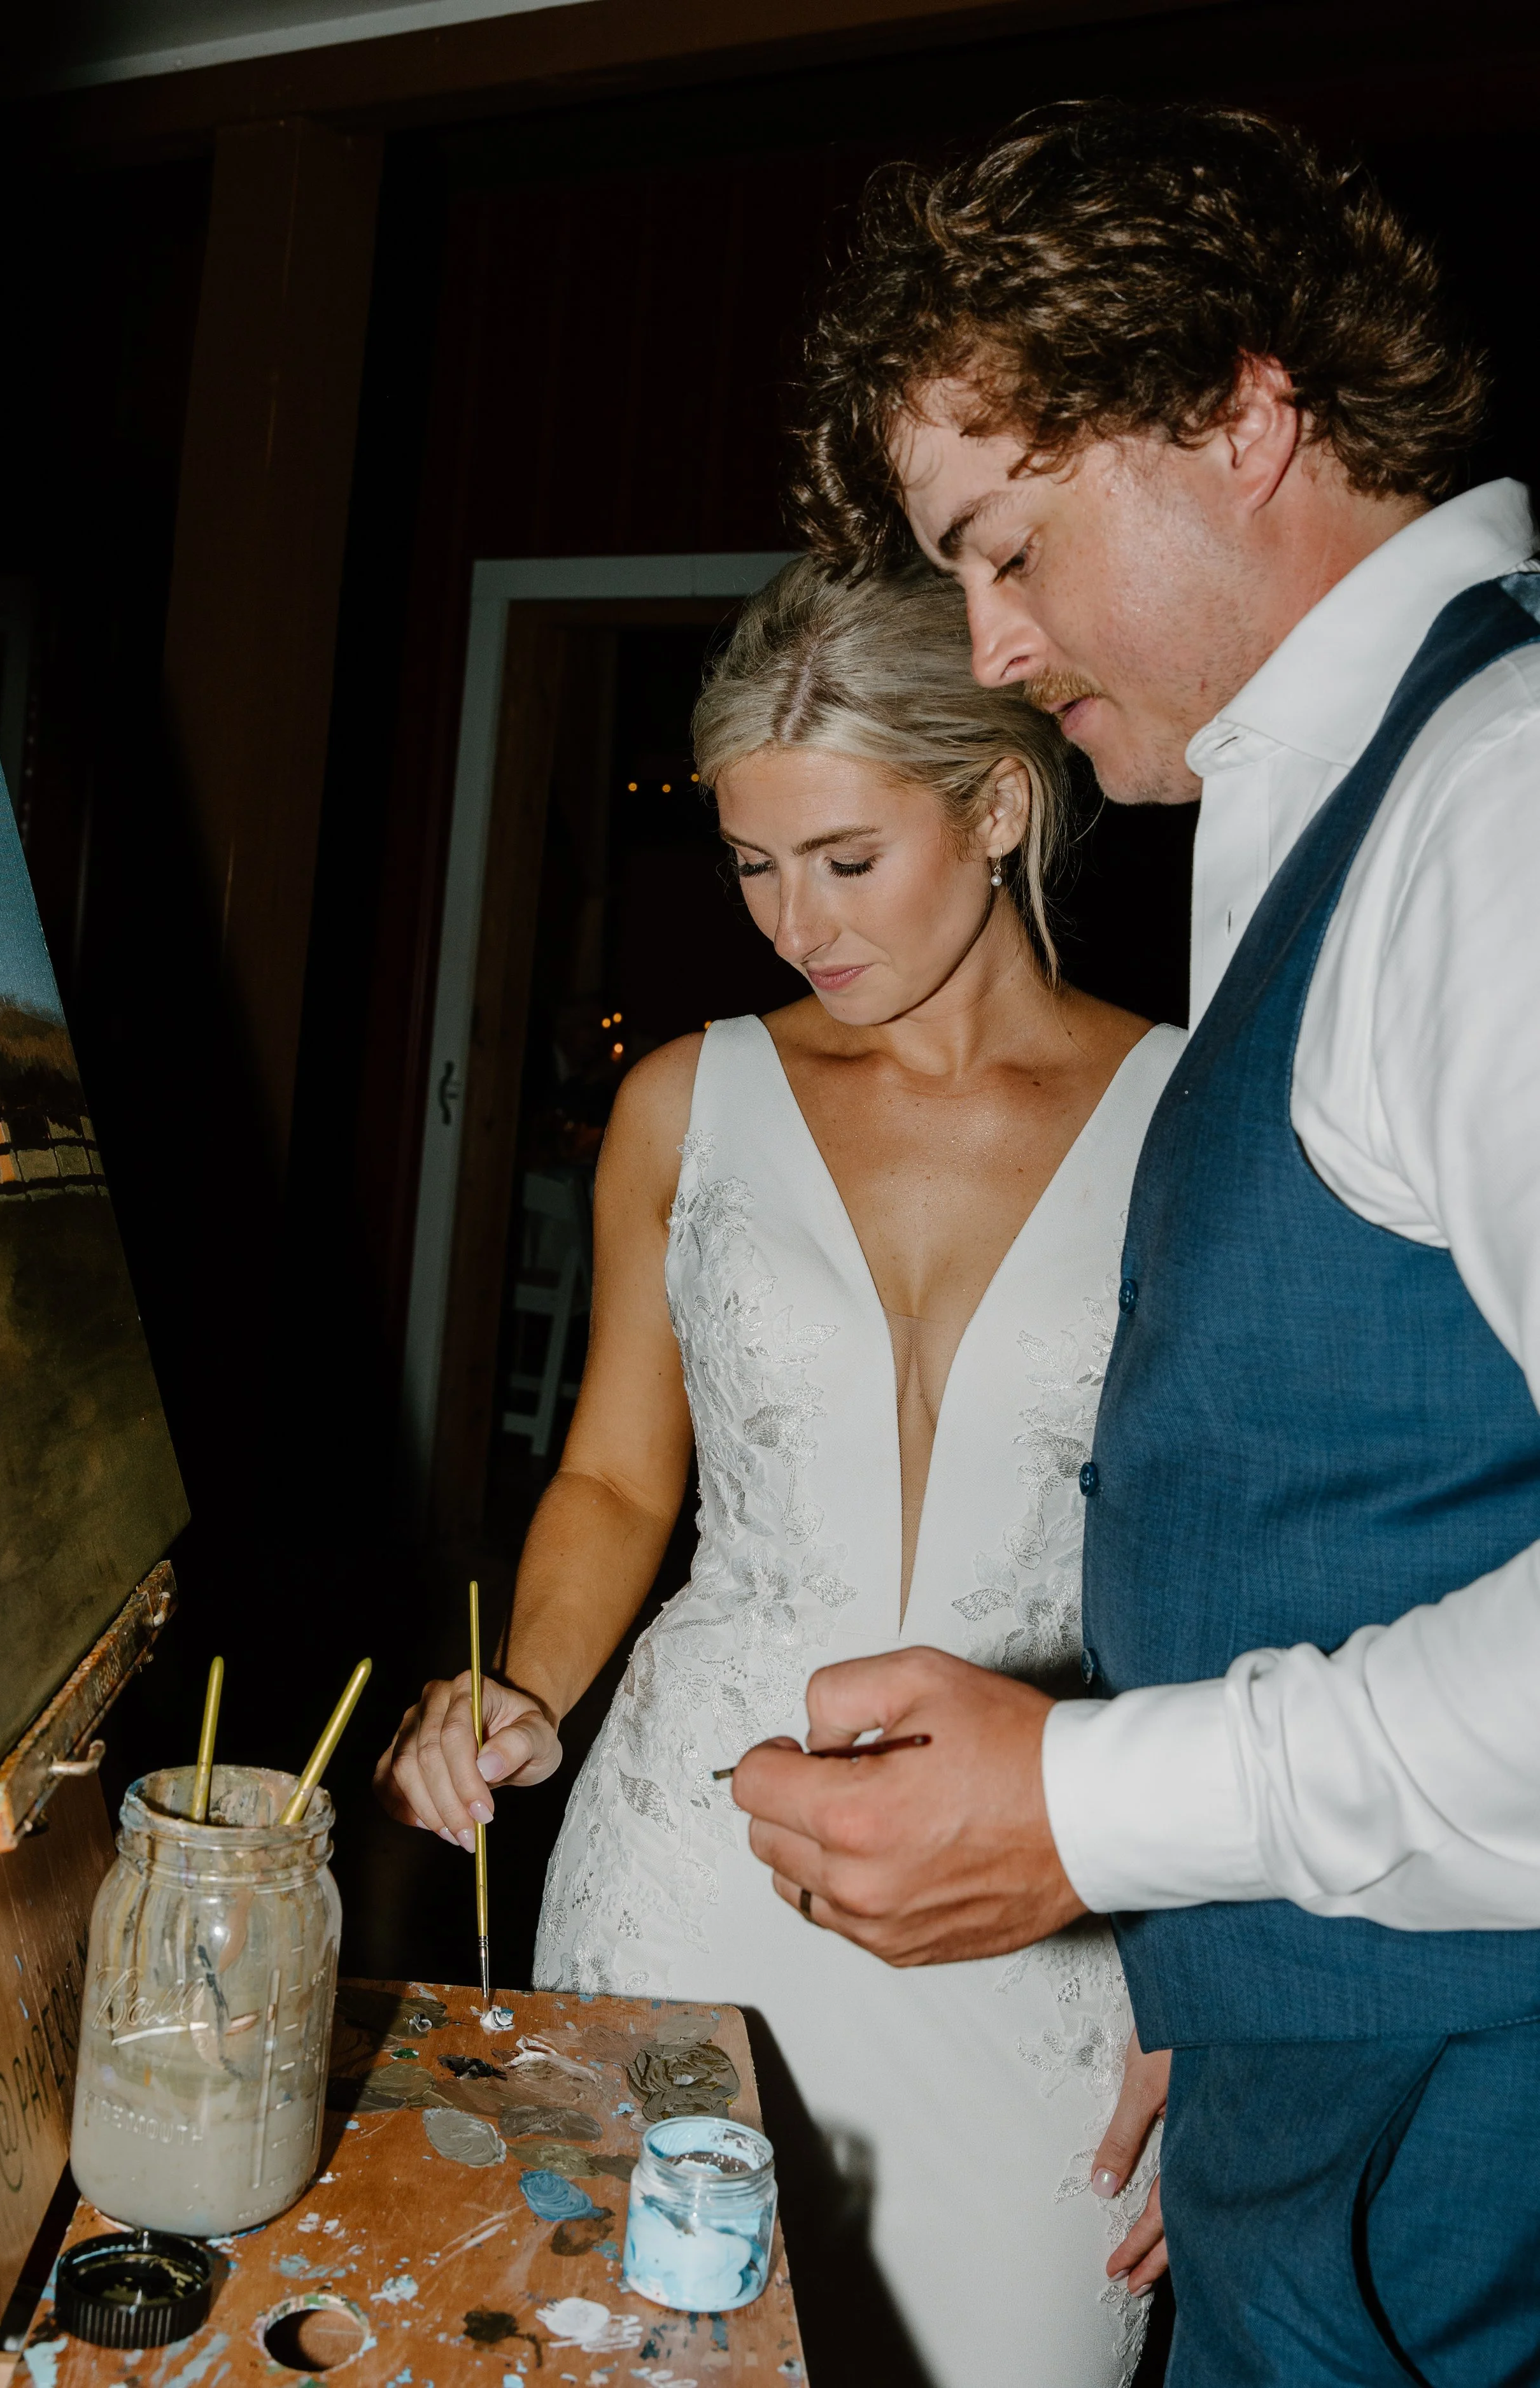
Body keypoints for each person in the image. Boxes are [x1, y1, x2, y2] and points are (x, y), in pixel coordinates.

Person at [733, 96, 1540, 2387]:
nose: (985, 647)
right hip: (1333, 2083)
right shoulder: (1333, 800)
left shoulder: (1501, 799)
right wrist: (1229, 1954)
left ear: (1242, 410)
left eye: (1007, 547)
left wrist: (1096, 1811)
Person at [376, 557, 1183, 2387]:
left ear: (994, 803)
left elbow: (1248, 1571)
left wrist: (1213, 1984)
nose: (788, 918)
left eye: (841, 858)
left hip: (1040, 1897)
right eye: (750, 863)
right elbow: (605, 1480)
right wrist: (524, 1684)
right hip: (693, 1862)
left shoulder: (1196, 1123)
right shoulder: (683, 1099)